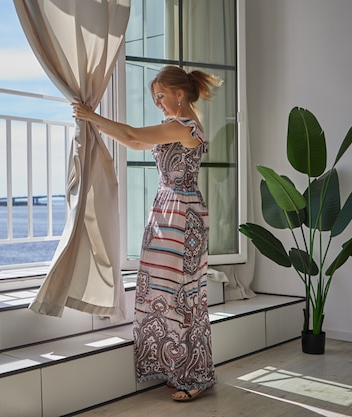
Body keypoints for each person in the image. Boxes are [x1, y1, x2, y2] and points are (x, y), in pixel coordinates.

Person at [72, 65, 222, 402]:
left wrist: (91, 116)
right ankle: (181, 367)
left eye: (161, 96)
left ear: (179, 94)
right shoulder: (183, 126)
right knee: (167, 290)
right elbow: (136, 142)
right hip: (169, 210)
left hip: (181, 213)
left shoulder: (184, 126)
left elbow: (132, 136)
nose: (158, 102)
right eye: (155, 98)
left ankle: (194, 375)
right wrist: (94, 124)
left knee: (181, 293)